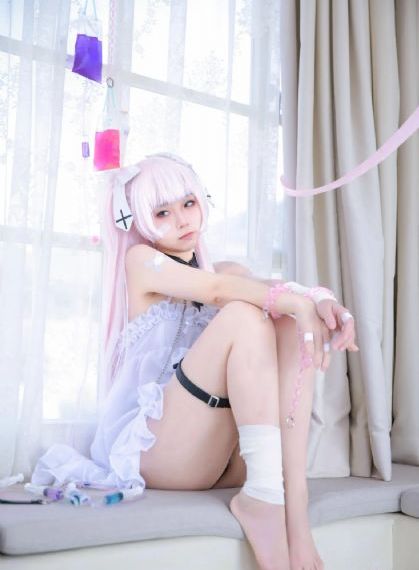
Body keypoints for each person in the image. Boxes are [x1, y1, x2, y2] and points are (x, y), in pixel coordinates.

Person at [31, 152, 358, 570]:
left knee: (288, 320)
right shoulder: (142, 262)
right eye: (162, 213)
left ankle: (293, 501)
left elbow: (269, 288)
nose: (182, 220)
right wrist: (297, 300)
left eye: (188, 203)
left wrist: (322, 302)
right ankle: (263, 499)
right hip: (159, 454)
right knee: (243, 313)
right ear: (140, 221)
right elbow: (218, 291)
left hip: (223, 460)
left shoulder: (223, 270)